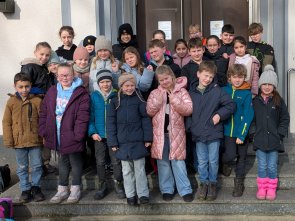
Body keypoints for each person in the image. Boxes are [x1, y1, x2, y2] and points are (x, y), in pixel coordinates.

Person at [39, 63, 90, 204]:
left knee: (75, 162)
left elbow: (83, 116)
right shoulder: (52, 91)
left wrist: (78, 135)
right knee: (62, 162)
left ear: (73, 75)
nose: (64, 77)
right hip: (56, 133)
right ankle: (62, 189)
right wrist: (43, 130)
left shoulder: (80, 93)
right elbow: (44, 112)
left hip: (73, 134)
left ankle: (75, 189)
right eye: (61, 75)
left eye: (67, 74)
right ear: (57, 76)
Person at [187, 61, 235, 201]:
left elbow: (231, 105)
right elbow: (187, 112)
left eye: (210, 77)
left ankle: (212, 184)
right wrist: (190, 126)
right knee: (202, 161)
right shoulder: (191, 93)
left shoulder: (217, 91)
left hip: (213, 132)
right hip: (198, 133)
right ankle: (204, 183)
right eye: (205, 75)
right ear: (198, 74)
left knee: (213, 160)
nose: (207, 79)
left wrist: (219, 115)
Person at [147, 65, 194, 202]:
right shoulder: (154, 93)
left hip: (176, 134)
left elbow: (188, 109)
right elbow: (149, 111)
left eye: (166, 78)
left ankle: (185, 190)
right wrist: (158, 100)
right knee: (163, 163)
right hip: (160, 135)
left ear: (172, 77)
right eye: (161, 80)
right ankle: (167, 189)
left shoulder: (182, 92)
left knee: (178, 162)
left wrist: (173, 99)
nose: (164, 82)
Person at [107, 73, 153, 206]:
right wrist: (113, 142)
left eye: (132, 85)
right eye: (126, 85)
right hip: (122, 142)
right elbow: (110, 123)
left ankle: (143, 195)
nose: (129, 88)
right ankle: (130, 195)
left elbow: (145, 120)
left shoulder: (140, 99)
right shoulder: (115, 101)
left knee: (139, 170)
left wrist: (147, 138)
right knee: (126, 171)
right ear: (121, 86)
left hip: (138, 140)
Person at [2, 72, 45, 203]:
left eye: (27, 86)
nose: (24, 89)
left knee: (37, 165)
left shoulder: (37, 100)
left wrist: (44, 137)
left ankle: (36, 187)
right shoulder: (11, 102)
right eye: (21, 87)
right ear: (15, 87)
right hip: (19, 141)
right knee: (22, 167)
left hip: (35, 140)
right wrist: (9, 140)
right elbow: (6, 122)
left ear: (30, 86)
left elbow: (43, 120)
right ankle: (25, 189)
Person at [252, 65, 289, 200]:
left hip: (274, 140)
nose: (267, 87)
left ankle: (271, 188)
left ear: (274, 86)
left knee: (272, 166)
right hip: (260, 139)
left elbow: (285, 118)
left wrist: (279, 134)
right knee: (262, 165)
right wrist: (253, 133)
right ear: (260, 85)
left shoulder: (278, 101)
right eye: (264, 84)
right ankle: (262, 188)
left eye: (270, 84)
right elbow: (252, 119)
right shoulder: (255, 101)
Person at [88, 69, 125, 200]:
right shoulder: (94, 96)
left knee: (116, 161)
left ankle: (118, 184)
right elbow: (90, 117)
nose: (105, 84)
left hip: (113, 136)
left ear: (111, 82)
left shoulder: (117, 95)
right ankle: (102, 185)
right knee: (100, 161)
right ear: (98, 83)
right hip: (99, 136)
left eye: (108, 81)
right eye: (102, 82)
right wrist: (92, 132)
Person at [221, 64, 254, 197]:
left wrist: (242, 134)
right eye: (235, 77)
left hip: (242, 133)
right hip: (228, 132)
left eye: (240, 77)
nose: (237, 80)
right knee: (229, 155)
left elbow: (248, 115)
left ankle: (239, 183)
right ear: (229, 77)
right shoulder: (224, 90)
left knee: (241, 158)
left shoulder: (246, 93)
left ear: (244, 78)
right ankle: (224, 163)